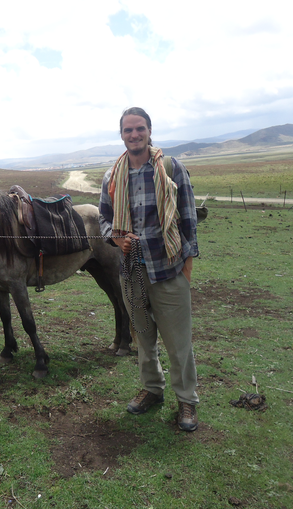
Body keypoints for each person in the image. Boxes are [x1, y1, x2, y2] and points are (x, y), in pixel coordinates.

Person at [99, 107, 200, 432]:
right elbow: (103, 219)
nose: (134, 135)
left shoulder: (171, 169)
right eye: (128, 130)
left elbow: (188, 219)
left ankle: (186, 399)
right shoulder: (112, 177)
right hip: (132, 274)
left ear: (149, 131)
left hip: (169, 271)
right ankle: (152, 390)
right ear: (122, 135)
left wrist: (187, 267)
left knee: (178, 342)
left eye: (139, 129)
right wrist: (116, 240)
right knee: (143, 339)